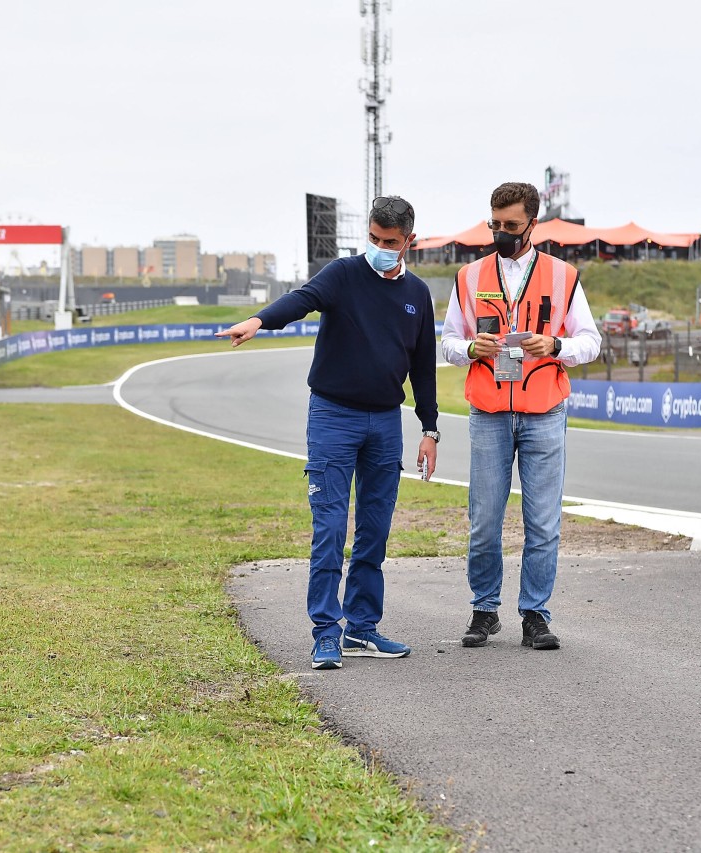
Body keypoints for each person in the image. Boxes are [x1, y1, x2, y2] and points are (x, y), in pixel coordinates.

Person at [216, 195, 440, 671]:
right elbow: (302, 300)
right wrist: (259, 320)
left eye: (391, 242)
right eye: (375, 239)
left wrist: (430, 427)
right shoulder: (342, 274)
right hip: (334, 417)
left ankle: (362, 628)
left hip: (385, 423)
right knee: (331, 526)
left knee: (375, 530)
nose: (380, 247)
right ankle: (325, 632)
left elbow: (423, 365)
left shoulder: (417, 294)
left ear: (409, 243)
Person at [441, 181, 602, 651]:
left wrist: (556, 345)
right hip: (488, 411)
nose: (501, 233)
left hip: (544, 410)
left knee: (544, 522)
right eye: (495, 224)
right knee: (484, 519)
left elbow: (589, 342)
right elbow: (448, 342)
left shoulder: (563, 275)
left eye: (511, 226)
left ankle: (535, 614)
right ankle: (483, 609)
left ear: (533, 223)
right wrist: (471, 347)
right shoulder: (468, 277)